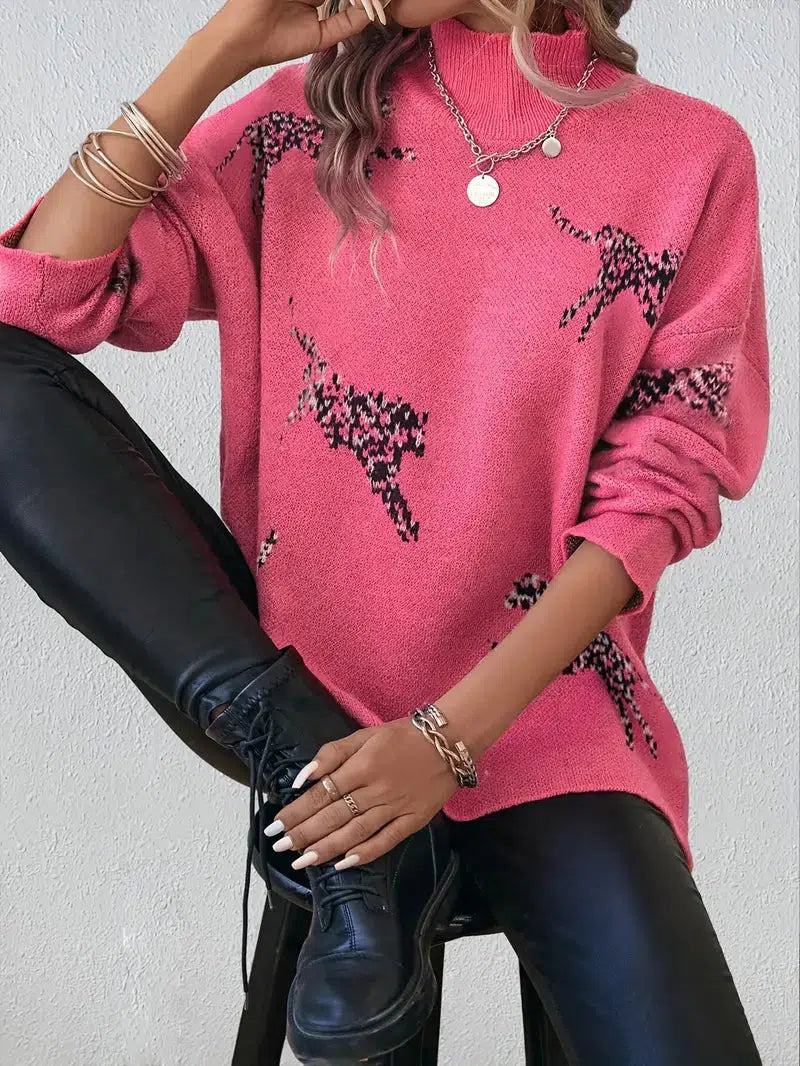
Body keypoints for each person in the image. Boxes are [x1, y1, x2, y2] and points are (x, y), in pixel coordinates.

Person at [0, 1, 769, 1063]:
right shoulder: (299, 123)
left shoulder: (690, 153)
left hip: (546, 713)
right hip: (296, 691)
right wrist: (222, 46)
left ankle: (376, 846)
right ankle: (327, 788)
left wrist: (443, 743)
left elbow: (663, 487)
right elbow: (39, 299)